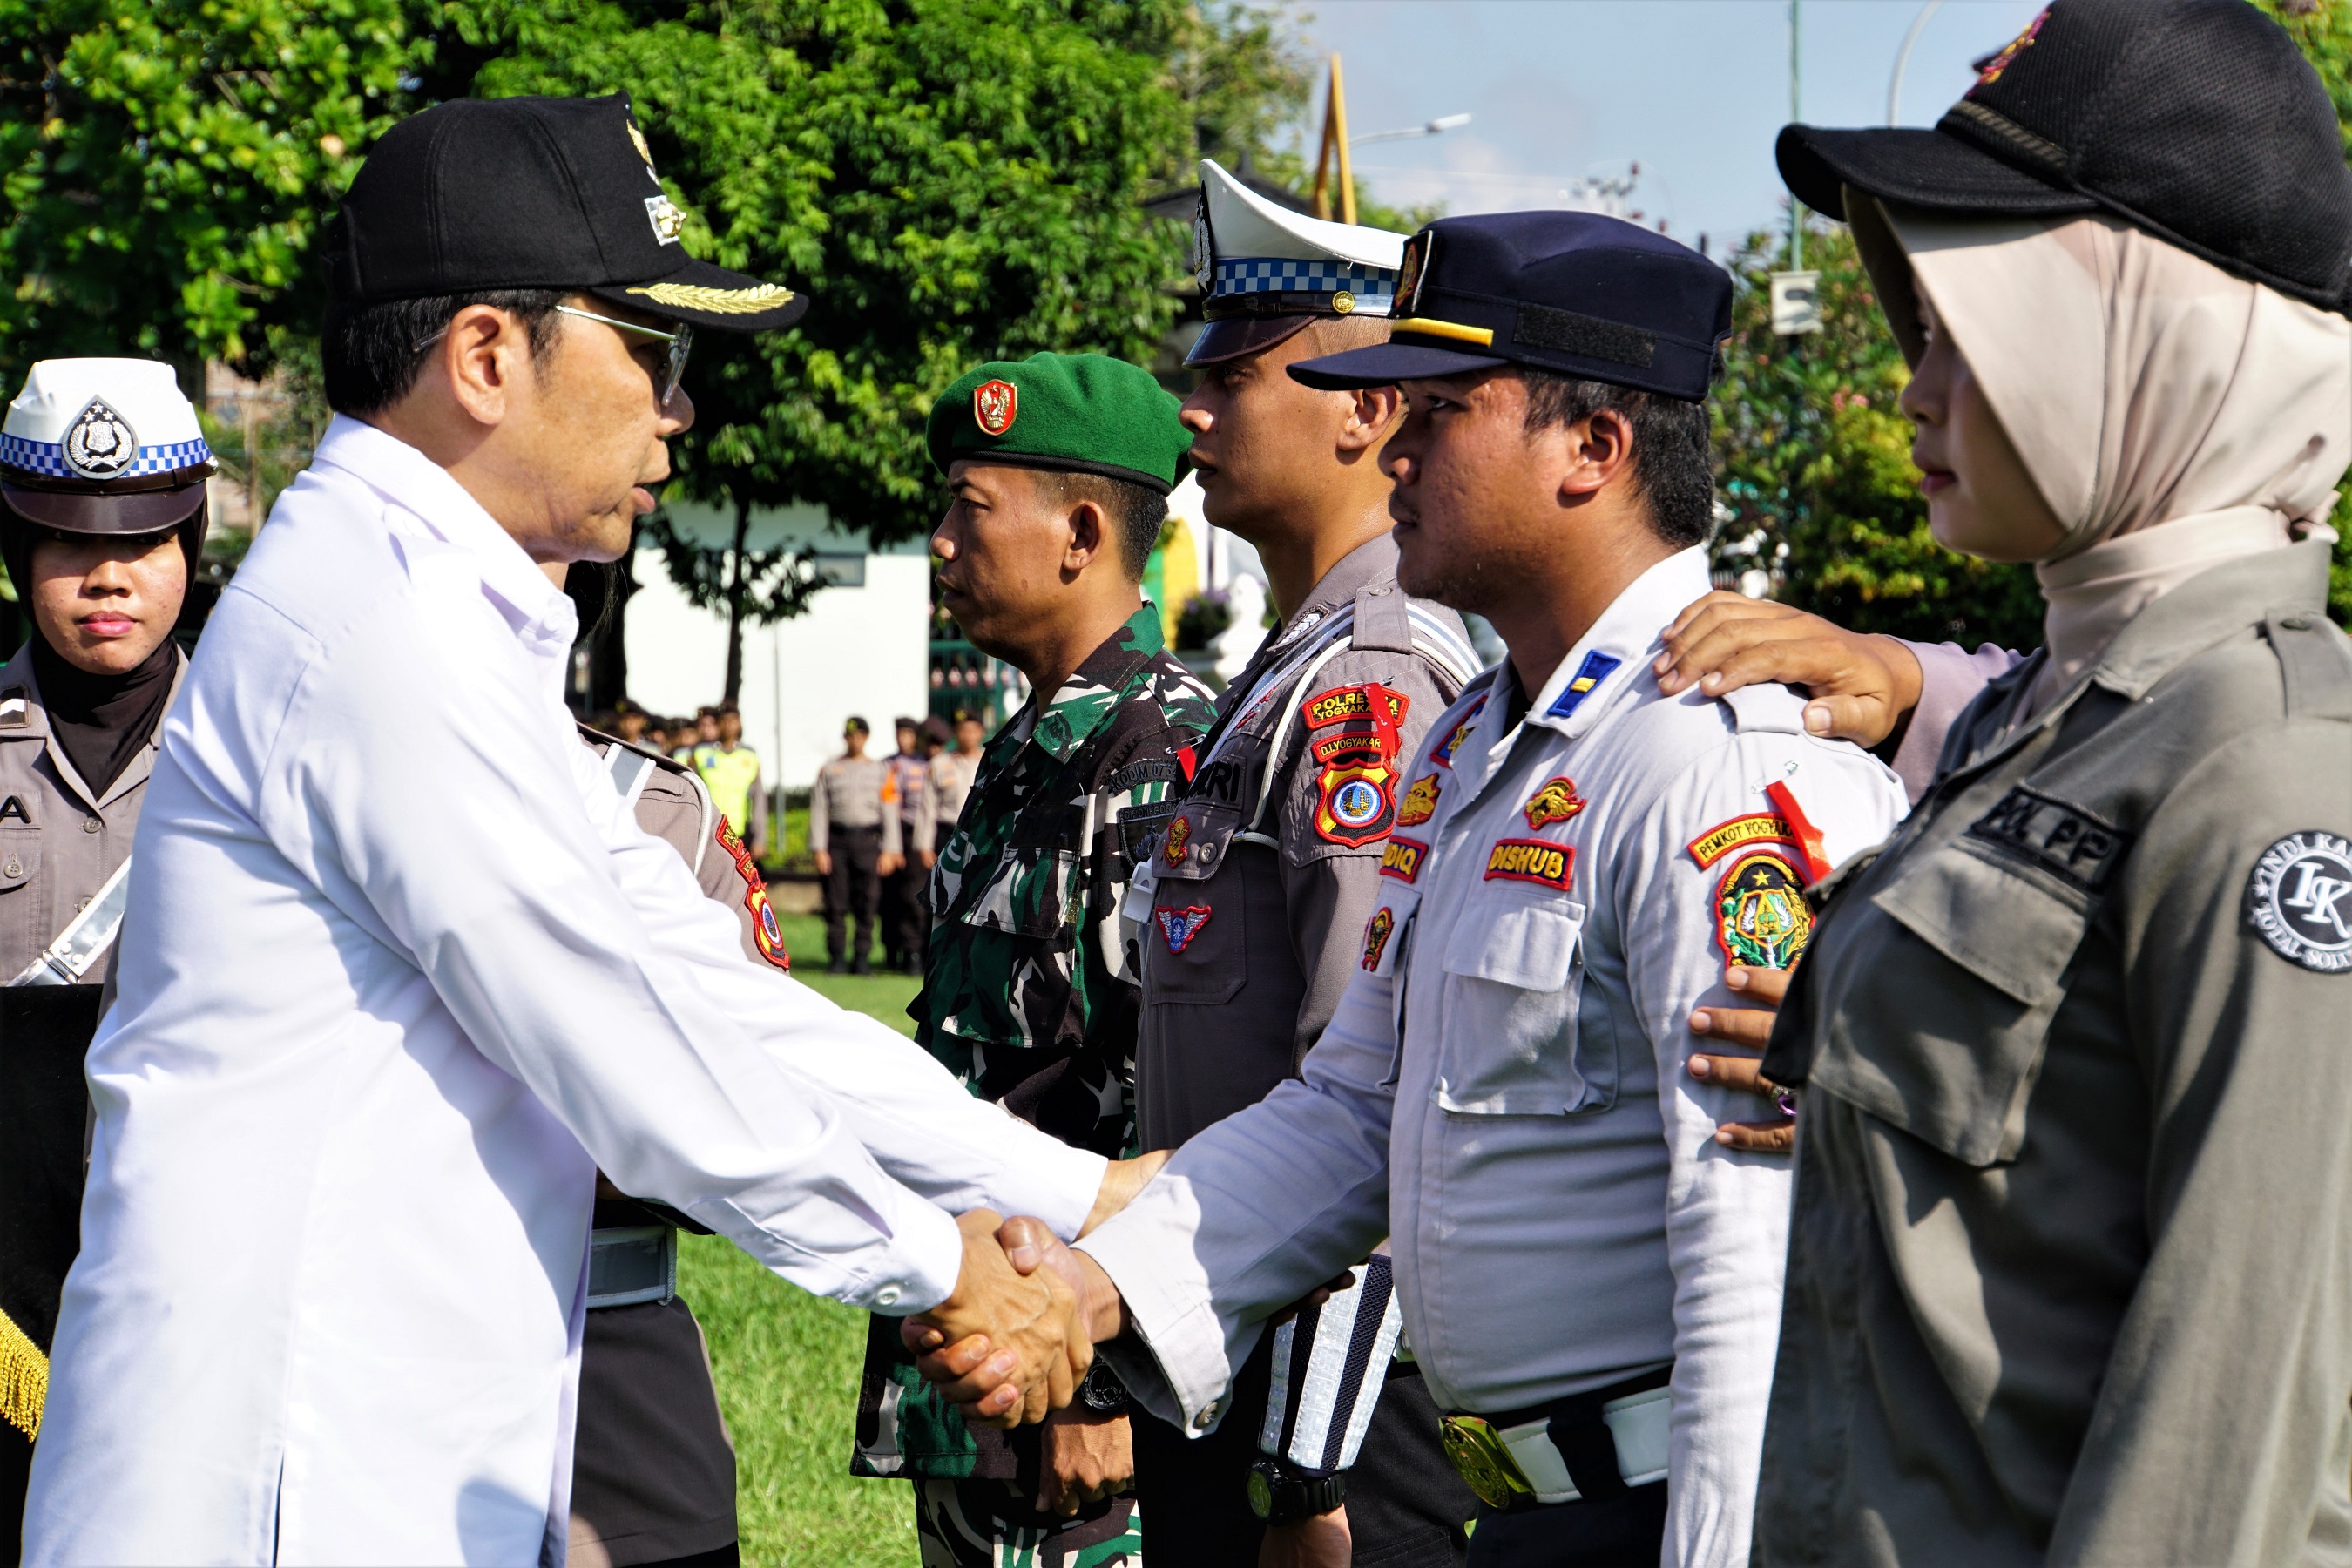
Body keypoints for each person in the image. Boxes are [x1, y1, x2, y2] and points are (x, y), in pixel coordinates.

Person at [22, 92, 1126, 1565]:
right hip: (275, 1485)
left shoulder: (433, 621)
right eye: (651, 350)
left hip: (365, 1466)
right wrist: (938, 1267)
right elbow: (618, 1037)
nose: (678, 408)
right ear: (487, 355)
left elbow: (701, 988)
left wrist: (1066, 1191)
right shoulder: (378, 631)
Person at [923, 212, 1916, 1567]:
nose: (1393, 447)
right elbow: (1353, 1111)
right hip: (1515, 1517)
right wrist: (1095, 1293)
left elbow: (1753, 1231)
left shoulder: (1712, 757)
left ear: (1594, 449)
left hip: (1673, 1513)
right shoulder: (1477, 748)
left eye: (1444, 413)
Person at [1740, 5, 2352, 1562]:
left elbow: (2237, 1409)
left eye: (1968, 331)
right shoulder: (2051, 717)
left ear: (2145, 340)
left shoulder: (2268, 765)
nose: (1914, 390)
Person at [1123, 159, 1484, 1567]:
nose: (1190, 411)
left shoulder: (1373, 684)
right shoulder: (1296, 672)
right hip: (1236, 1358)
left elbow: (1367, 1092)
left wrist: (1309, 1472)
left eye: (1236, 374)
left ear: (1369, 413)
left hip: (1315, 1407)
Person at [853, 352, 1214, 1568]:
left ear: (1082, 531)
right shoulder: (1032, 746)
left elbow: (1175, 1093)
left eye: (970, 503)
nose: (942, 539)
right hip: (985, 1366)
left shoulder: (1163, 752)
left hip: (1077, 1382)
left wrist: (1105, 1386)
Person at [0, 358, 206, 1551]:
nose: (108, 576)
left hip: (197, 1272)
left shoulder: (262, 760)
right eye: (68, 544)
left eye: (145, 538)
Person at [812, 715, 901, 972]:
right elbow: (819, 810)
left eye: (860, 735)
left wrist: (891, 850)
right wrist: (819, 848)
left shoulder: (880, 770)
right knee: (836, 902)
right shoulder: (829, 769)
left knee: (868, 901)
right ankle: (837, 955)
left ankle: (862, 956)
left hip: (868, 842)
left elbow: (890, 811)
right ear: (845, 737)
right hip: (837, 842)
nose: (855, 740)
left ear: (866, 738)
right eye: (850, 735)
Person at [881, 714, 937, 972]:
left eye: (908, 734)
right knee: (894, 898)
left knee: (917, 895)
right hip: (899, 835)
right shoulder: (888, 765)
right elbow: (888, 805)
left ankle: (918, 951)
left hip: (923, 833)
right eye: (899, 734)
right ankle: (899, 951)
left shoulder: (928, 763)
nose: (903, 740)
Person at [693, 701, 766, 855]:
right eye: (724, 720)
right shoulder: (700, 754)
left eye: (733, 720)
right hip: (708, 831)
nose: (728, 725)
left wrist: (760, 838)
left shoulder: (750, 756)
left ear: (739, 723)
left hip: (740, 833)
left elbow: (758, 800)